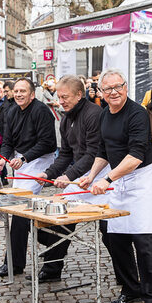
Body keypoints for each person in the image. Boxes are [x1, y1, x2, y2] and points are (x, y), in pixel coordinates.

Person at [79, 68, 152, 303]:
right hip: (118, 179)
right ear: (102, 93)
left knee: (143, 240)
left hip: (141, 181)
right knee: (113, 236)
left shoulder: (137, 113)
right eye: (109, 89)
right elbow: (102, 150)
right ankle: (130, 289)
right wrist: (92, 175)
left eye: (119, 87)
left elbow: (136, 156)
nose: (115, 92)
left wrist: (106, 179)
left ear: (126, 87)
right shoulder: (105, 114)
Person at [32, 75, 111, 283]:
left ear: (79, 94)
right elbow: (66, 154)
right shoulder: (66, 118)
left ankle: (127, 278)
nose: (61, 101)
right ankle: (52, 268)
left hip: (102, 172)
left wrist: (68, 175)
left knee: (110, 230)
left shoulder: (94, 114)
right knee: (57, 217)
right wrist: (48, 173)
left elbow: (93, 154)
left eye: (65, 97)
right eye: (59, 96)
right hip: (80, 173)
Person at [0, 78, 57, 277]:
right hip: (21, 159)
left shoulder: (41, 111)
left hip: (40, 160)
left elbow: (48, 143)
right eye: (16, 91)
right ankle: (51, 242)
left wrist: (25, 158)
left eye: (22, 91)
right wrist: (5, 159)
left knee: (20, 210)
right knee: (20, 211)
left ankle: (15, 262)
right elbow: (7, 141)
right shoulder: (11, 112)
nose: (18, 94)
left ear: (32, 94)